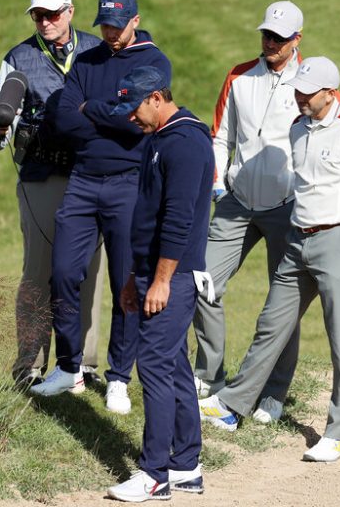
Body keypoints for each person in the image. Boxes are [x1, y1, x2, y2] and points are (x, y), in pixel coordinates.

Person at [199, 57, 340, 463]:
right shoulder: (298, 127)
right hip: (299, 238)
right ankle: (233, 404)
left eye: (308, 93)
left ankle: (339, 434)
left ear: (330, 92)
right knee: (272, 323)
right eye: (297, 91)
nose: (299, 98)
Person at [32, 0, 171, 416]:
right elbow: (64, 117)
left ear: (135, 19)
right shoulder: (88, 60)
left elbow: (137, 126)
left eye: (116, 24)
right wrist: (106, 112)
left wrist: (95, 110)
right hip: (83, 180)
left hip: (130, 182)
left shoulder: (154, 62)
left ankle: (118, 378)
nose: (109, 33)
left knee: (125, 283)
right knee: (63, 274)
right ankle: (69, 365)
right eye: (104, 24)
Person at [0, 0, 107, 389]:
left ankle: (85, 363)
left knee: (90, 268)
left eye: (53, 14)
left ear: (70, 11)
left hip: (92, 173)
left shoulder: (97, 50)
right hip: (40, 174)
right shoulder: (18, 56)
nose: (45, 21)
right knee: (38, 271)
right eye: (38, 15)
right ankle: (29, 364)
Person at [193, 1, 305, 424]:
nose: (270, 43)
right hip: (237, 200)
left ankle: (274, 393)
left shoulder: (310, 81)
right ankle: (210, 376)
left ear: (297, 40)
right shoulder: (239, 76)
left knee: (284, 303)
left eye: (279, 37)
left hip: (288, 207)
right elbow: (220, 135)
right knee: (202, 281)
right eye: (266, 35)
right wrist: (219, 183)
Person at [106, 66, 212, 502]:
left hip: (175, 274)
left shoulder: (186, 144)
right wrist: (135, 276)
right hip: (154, 272)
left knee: (152, 366)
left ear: (155, 98)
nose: (130, 118)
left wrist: (162, 280)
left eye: (134, 109)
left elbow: (179, 220)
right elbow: (148, 217)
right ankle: (186, 465)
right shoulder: (159, 139)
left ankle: (154, 474)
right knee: (174, 367)